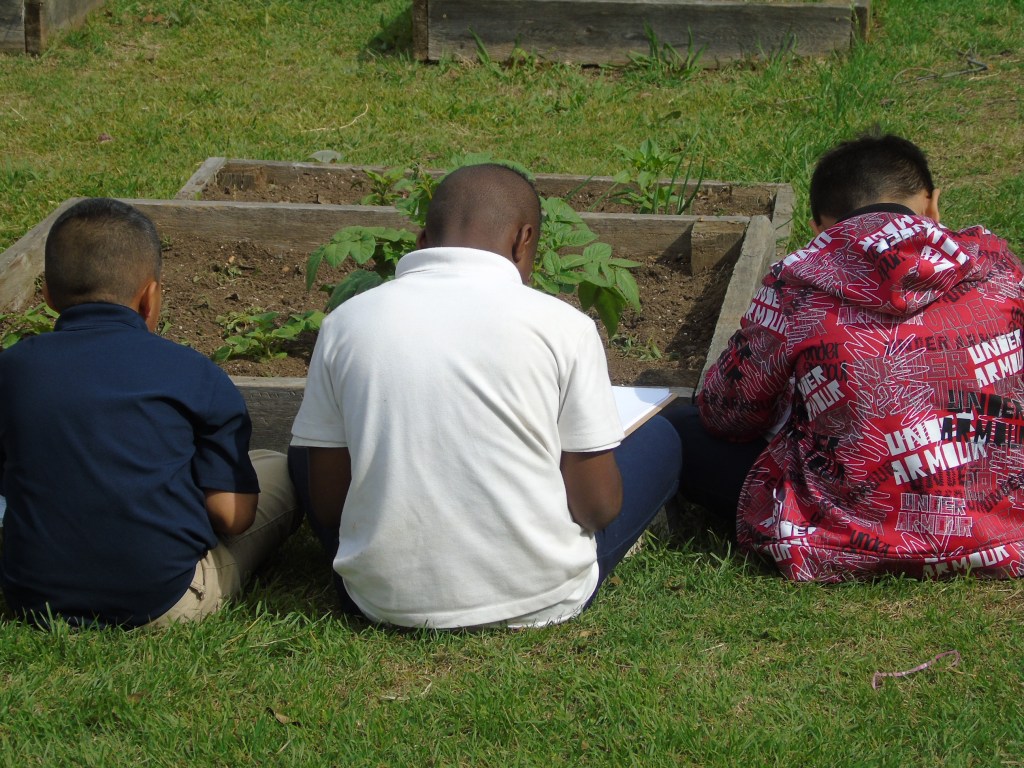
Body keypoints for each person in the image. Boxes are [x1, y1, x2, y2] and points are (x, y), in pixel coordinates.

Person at [289, 163, 681, 628]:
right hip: (542, 596)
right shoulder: (565, 326)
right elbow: (596, 509)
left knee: (306, 451)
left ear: (422, 240)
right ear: (523, 240)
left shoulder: (344, 323)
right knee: (662, 438)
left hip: (382, 602)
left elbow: (329, 506)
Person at [666, 132, 1024, 581]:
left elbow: (727, 415)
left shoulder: (796, 282)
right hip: (1003, 531)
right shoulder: (998, 265)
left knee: (675, 430)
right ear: (933, 204)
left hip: (843, 538)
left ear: (819, 227)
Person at [0, 197, 298, 628]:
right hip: (164, 600)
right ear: (150, 297)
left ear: (45, 294)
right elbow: (232, 516)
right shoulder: (193, 372)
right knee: (277, 466)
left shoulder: (11, 369)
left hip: (33, 598)